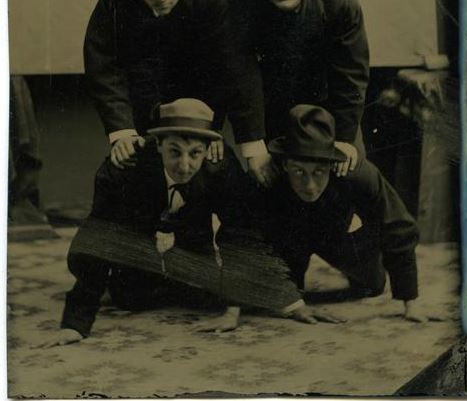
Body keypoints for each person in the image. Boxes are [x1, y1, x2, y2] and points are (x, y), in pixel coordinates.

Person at [42, 99, 318, 346]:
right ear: (158, 144)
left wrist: (247, 307)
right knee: (129, 297)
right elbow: (101, 243)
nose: (184, 165)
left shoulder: (221, 168)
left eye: (195, 154)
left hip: (191, 231)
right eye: (174, 152)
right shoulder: (123, 171)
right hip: (136, 231)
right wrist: (74, 325)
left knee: (204, 292)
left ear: (210, 150)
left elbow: (240, 235)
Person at [84, 0, 246, 168]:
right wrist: (122, 131)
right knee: (130, 168)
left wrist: (211, 127)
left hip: (194, 105)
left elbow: (223, 69)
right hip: (138, 102)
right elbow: (102, 62)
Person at [256, 104, 430, 323]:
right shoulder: (268, 177)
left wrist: (410, 301)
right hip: (290, 240)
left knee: (373, 285)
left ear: (332, 165)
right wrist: (292, 302)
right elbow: (244, 237)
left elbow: (399, 227)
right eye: (299, 171)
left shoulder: (359, 175)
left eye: (319, 172)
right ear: (283, 165)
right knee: (276, 298)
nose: (309, 186)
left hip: (338, 236)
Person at [228, 0, 369, 184]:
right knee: (266, 181)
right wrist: (253, 144)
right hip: (272, 109)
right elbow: (241, 72)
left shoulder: (339, 2)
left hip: (328, 106)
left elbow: (351, 75)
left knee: (348, 174)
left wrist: (345, 139)